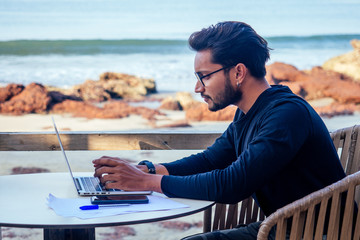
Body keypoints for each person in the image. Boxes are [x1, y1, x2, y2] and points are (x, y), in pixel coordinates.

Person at [93, 21, 346, 239]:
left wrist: (149, 182)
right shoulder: (249, 112)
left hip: (325, 233)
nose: (197, 87)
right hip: (285, 229)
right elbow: (211, 160)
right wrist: (148, 170)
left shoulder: (286, 114)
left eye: (204, 76)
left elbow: (234, 184)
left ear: (238, 72)